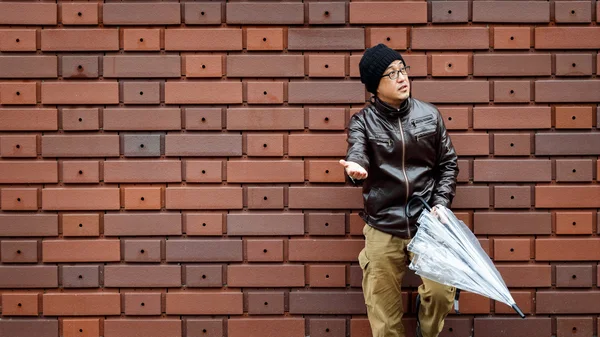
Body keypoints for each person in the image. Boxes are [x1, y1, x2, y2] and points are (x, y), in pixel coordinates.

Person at [340, 43, 459, 337]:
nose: (401, 78)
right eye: (391, 74)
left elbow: (448, 165)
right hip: (383, 223)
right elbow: (357, 153)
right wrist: (356, 171)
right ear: (374, 87)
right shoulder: (363, 122)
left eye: (402, 70)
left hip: (427, 222)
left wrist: (441, 203)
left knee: (442, 293)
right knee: (383, 311)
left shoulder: (429, 116)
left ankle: (425, 330)